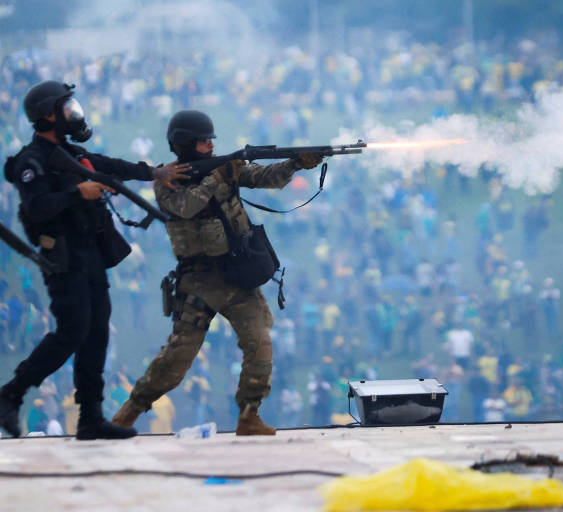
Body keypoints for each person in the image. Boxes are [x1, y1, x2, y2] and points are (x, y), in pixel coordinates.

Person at [112, 110, 322, 435]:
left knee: (260, 344)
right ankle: (129, 411)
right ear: (184, 145)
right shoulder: (167, 180)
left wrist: (296, 163)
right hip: (197, 281)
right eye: (204, 141)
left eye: (212, 141)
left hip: (237, 276)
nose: (211, 146)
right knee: (175, 361)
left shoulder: (224, 169)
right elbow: (185, 207)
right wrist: (217, 178)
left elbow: (266, 177)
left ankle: (249, 414)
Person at [0, 81, 187, 440]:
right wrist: (76, 193)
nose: (74, 113)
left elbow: (109, 165)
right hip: (63, 258)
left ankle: (90, 418)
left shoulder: (70, 153)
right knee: (72, 331)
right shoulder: (33, 161)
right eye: (65, 108)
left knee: (97, 332)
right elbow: (36, 207)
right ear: (48, 116)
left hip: (88, 253)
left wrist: (155, 173)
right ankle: (11, 393)